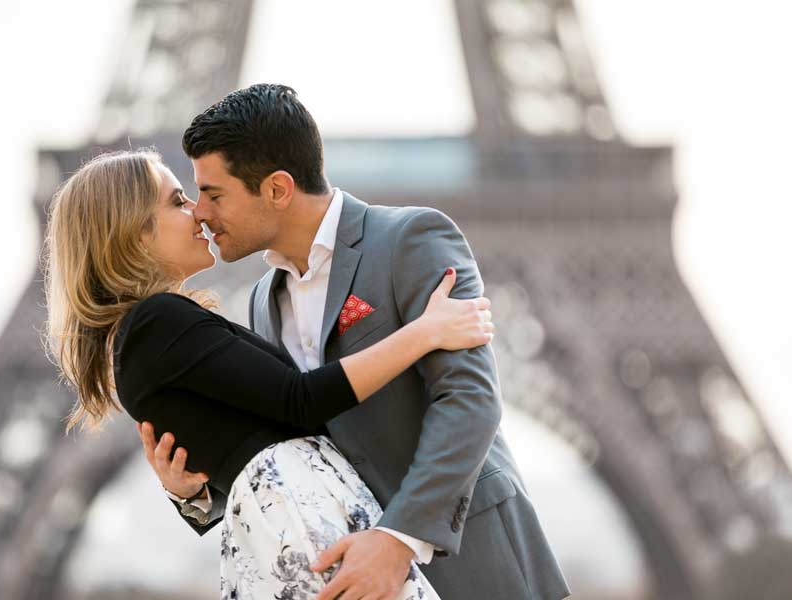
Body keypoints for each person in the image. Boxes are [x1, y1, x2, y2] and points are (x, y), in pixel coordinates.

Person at [141, 83, 570, 599]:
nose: (201, 212)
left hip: (475, 566)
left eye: (214, 194)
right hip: (354, 577)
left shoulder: (410, 239)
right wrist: (196, 493)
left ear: (277, 189)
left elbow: (470, 401)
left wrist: (398, 540)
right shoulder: (260, 300)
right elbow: (294, 454)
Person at [44, 148, 496, 599]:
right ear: (132, 231)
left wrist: (191, 493)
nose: (198, 212)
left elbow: (237, 433)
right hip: (303, 520)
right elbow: (299, 401)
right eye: (178, 201)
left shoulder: (144, 334)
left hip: (286, 526)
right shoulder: (157, 321)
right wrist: (424, 333)